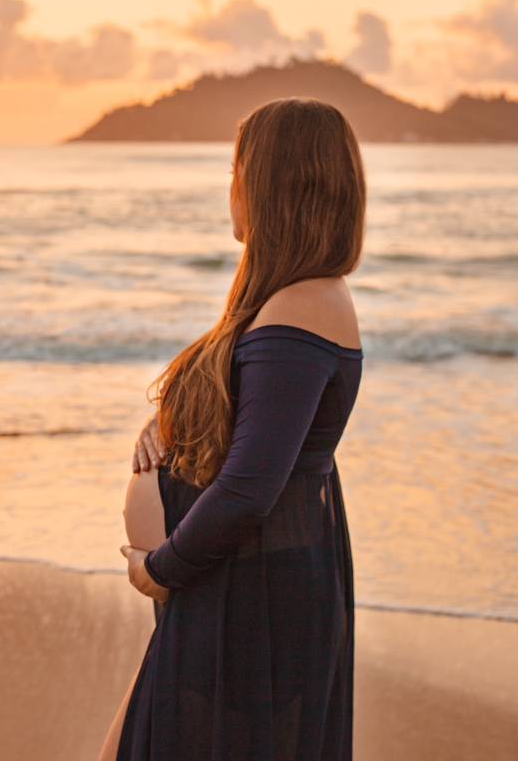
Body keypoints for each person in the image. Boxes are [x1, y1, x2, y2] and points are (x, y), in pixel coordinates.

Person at [99, 97, 366, 761]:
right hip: (239, 583)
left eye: (235, 169)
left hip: (250, 599)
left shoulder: (302, 308)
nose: (229, 188)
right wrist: (170, 427)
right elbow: (250, 431)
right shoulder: (291, 301)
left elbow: (250, 487)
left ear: (270, 185)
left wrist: (161, 568)